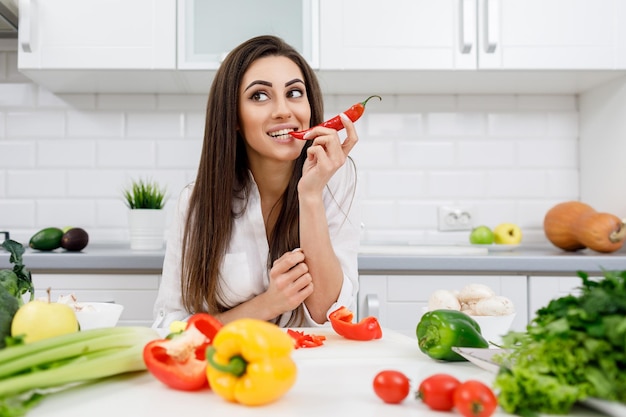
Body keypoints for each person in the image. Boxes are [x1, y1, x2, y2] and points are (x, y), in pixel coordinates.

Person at [152, 35, 361, 329]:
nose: (283, 111)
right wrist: (267, 304)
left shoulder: (335, 179)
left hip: (312, 363)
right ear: (234, 116)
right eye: (259, 96)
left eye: (295, 93)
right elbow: (169, 326)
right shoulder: (196, 203)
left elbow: (328, 313)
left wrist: (310, 194)